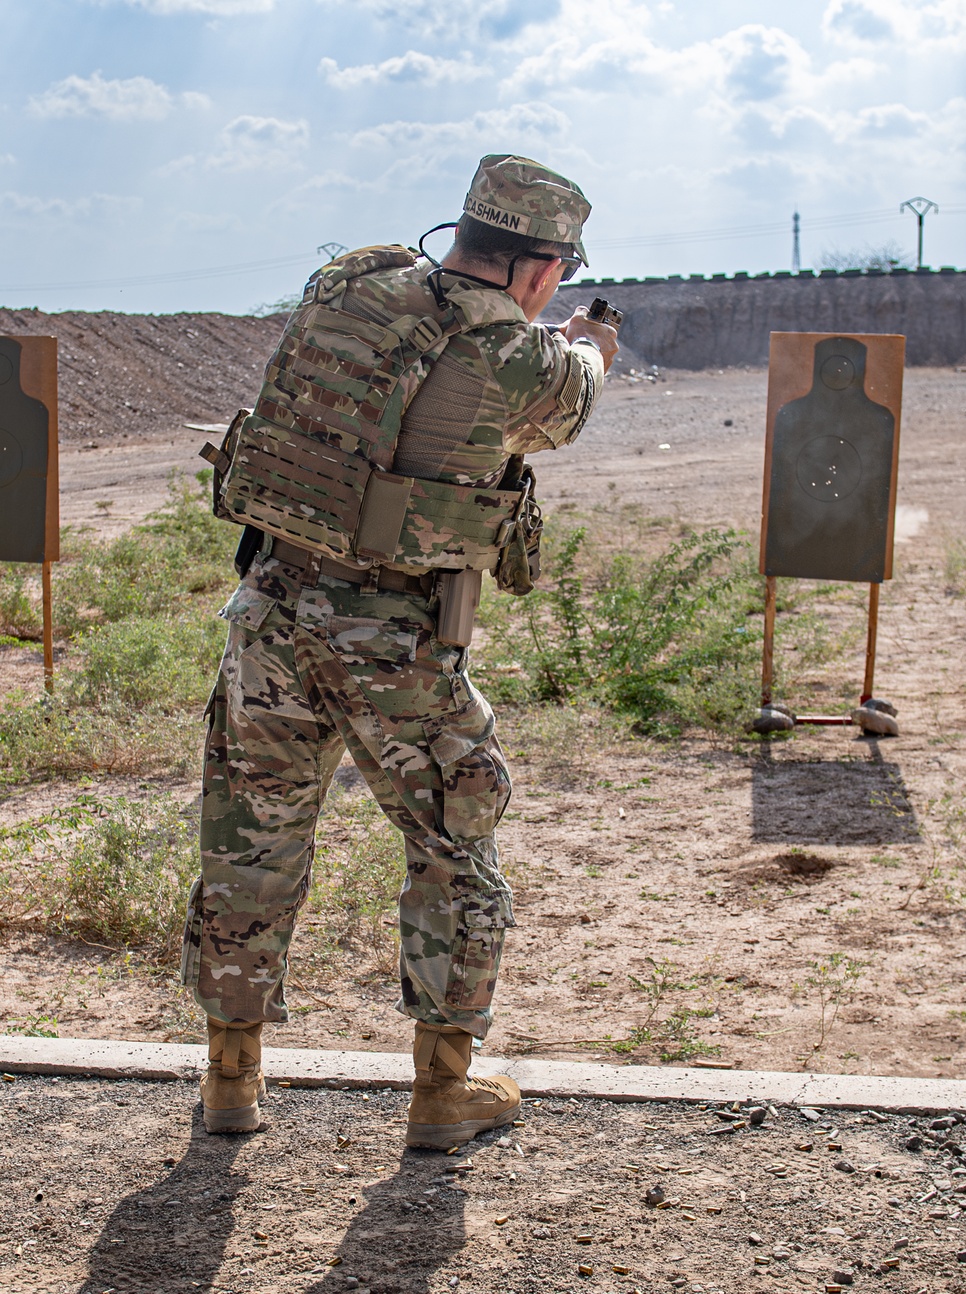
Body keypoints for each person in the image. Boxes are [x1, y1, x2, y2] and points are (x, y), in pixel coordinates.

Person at [180, 154, 619, 1149]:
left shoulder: (347, 285)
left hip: (272, 606)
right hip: (394, 641)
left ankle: (230, 1084)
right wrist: (589, 342)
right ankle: (441, 1093)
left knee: (250, 848)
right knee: (456, 847)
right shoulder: (525, 359)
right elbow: (569, 399)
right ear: (543, 271)